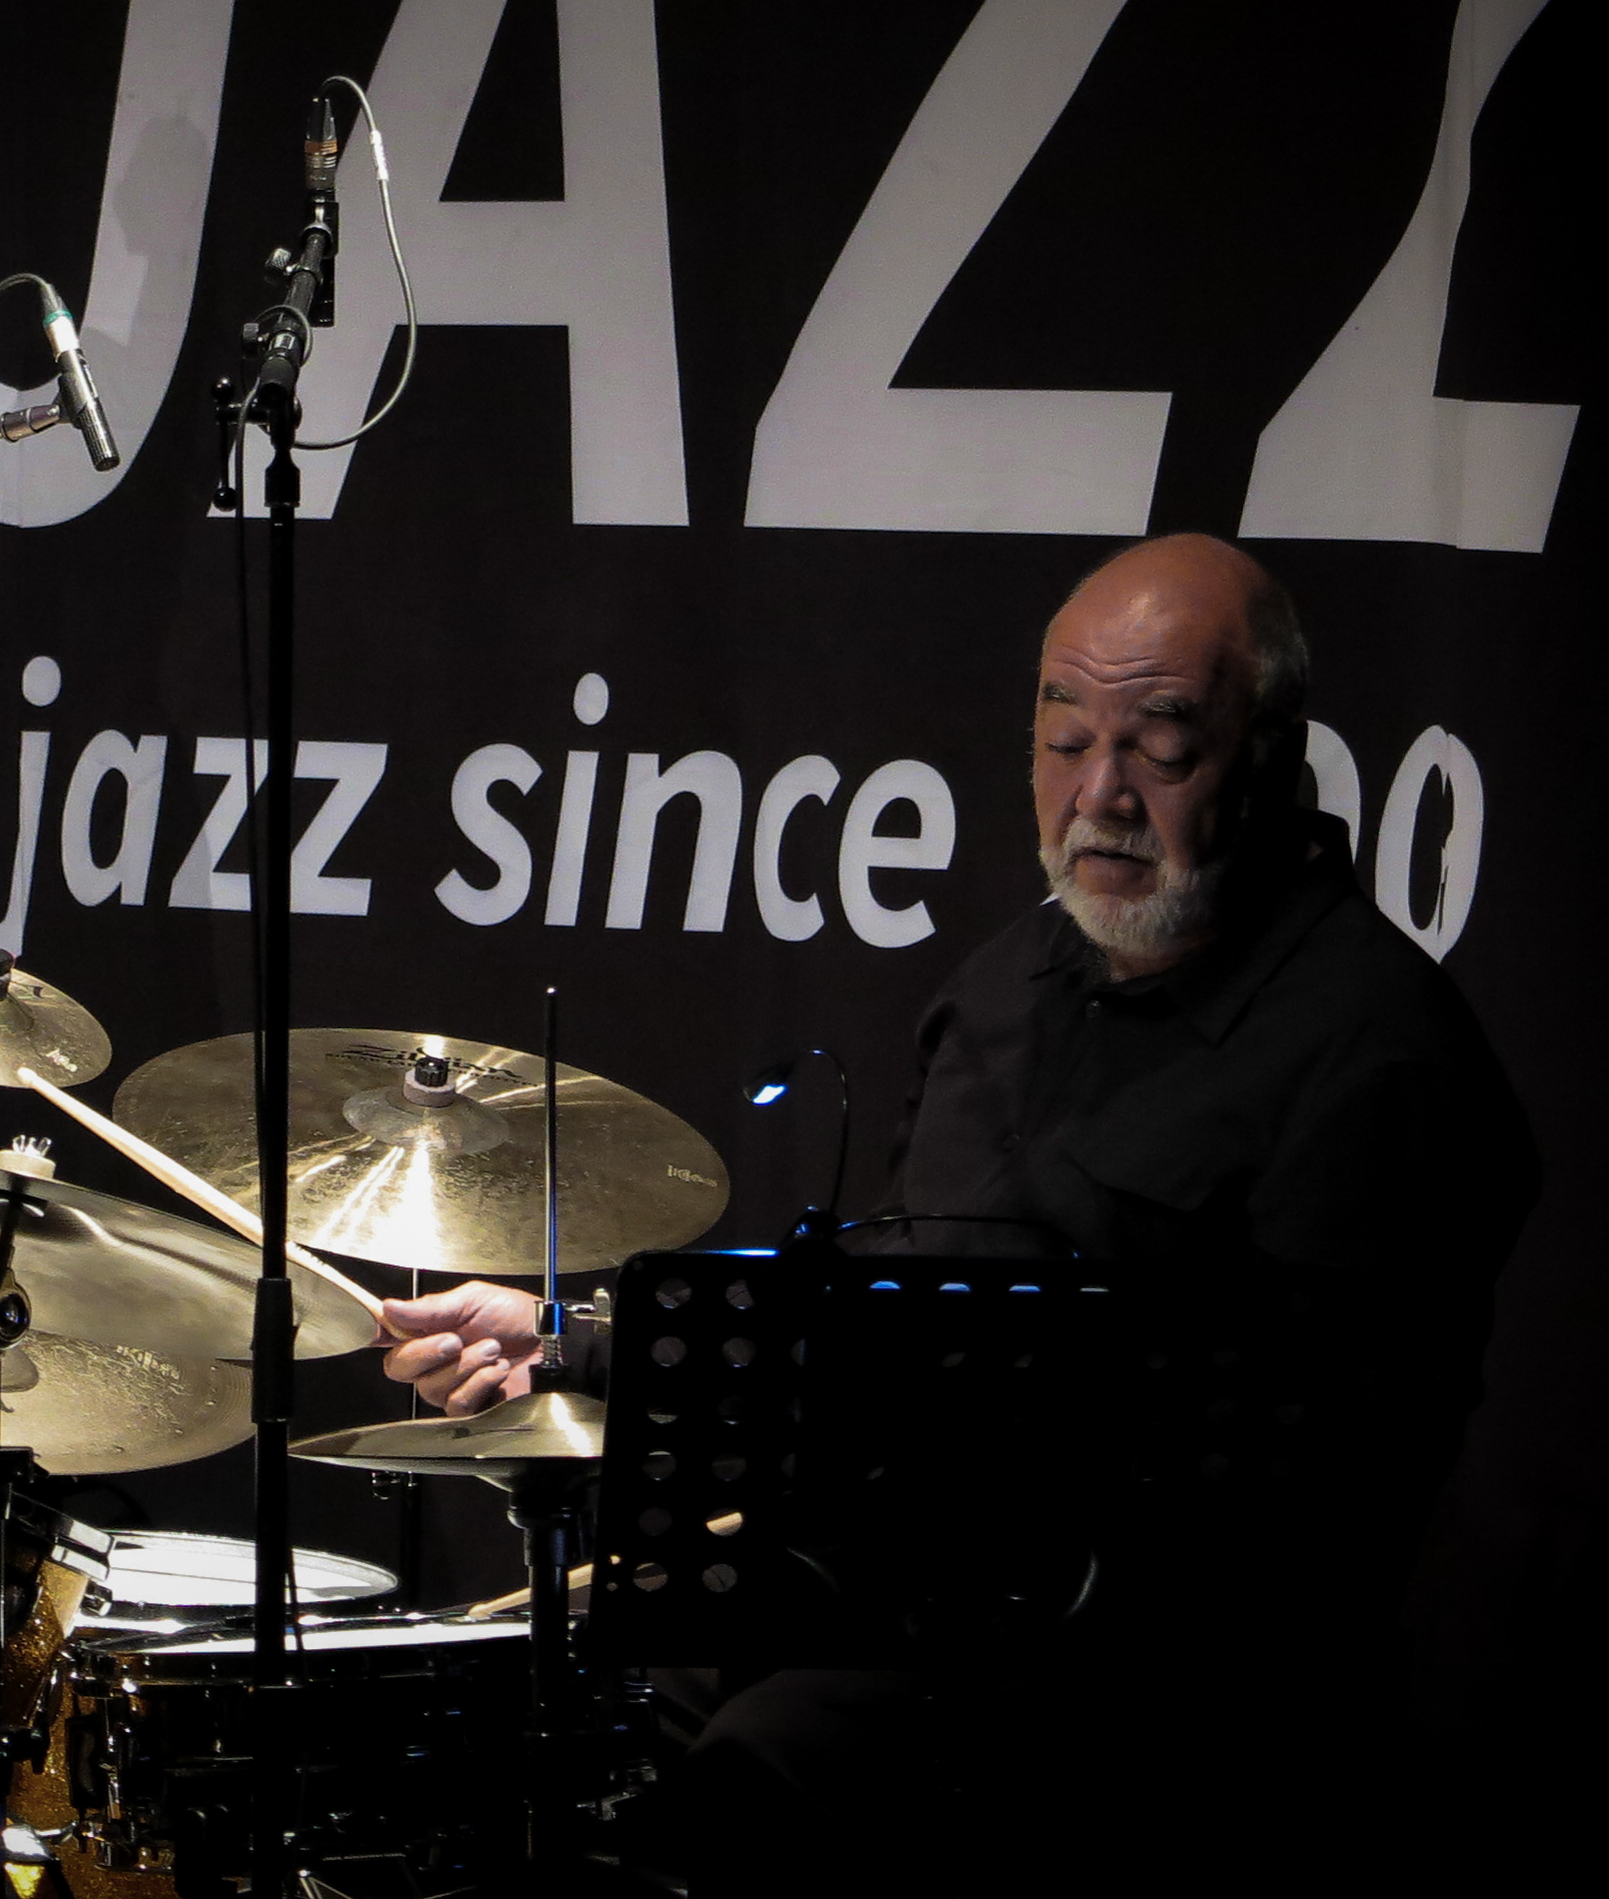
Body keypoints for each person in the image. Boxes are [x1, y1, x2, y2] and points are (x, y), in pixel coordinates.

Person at [380, 534, 1536, 1859]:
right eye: (1062, 740)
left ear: (1274, 751)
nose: (1097, 793)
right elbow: (880, 1346)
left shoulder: (1379, 1057)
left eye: (1160, 746)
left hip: (1137, 1688)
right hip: (888, 1608)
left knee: (753, 1791)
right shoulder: (1001, 988)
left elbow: (1300, 1517)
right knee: (556, 1717)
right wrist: (577, 1344)